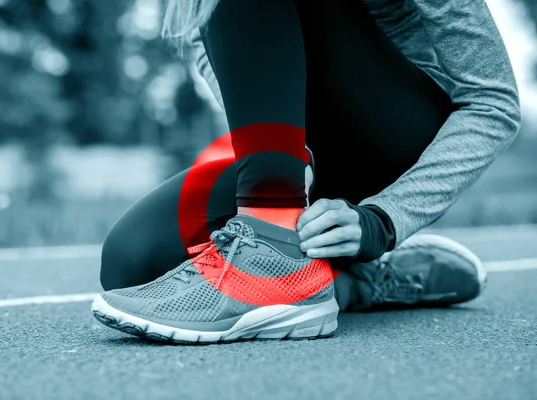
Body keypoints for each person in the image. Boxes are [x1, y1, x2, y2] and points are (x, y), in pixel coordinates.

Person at [90, 0, 521, 344]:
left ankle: (273, 251)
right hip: (290, 159)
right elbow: (214, 47)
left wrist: (385, 219)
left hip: (395, 138)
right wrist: (277, 153)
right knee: (133, 263)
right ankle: (354, 283)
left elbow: (492, 104)